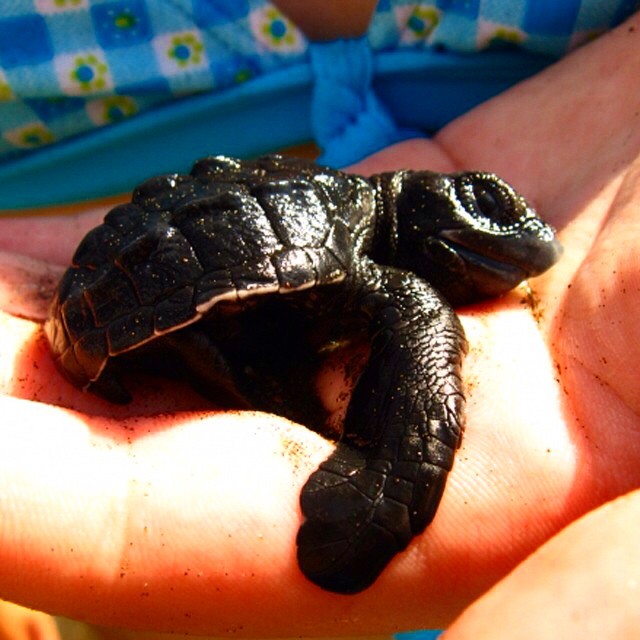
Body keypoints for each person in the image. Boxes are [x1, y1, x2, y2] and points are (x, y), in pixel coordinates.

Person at [0, 2, 639, 638]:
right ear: (416, 216)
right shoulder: (370, 253)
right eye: (473, 207)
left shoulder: (353, 214)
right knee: (418, 317)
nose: (519, 246)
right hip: (117, 282)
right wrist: (386, 481)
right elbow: (414, 315)